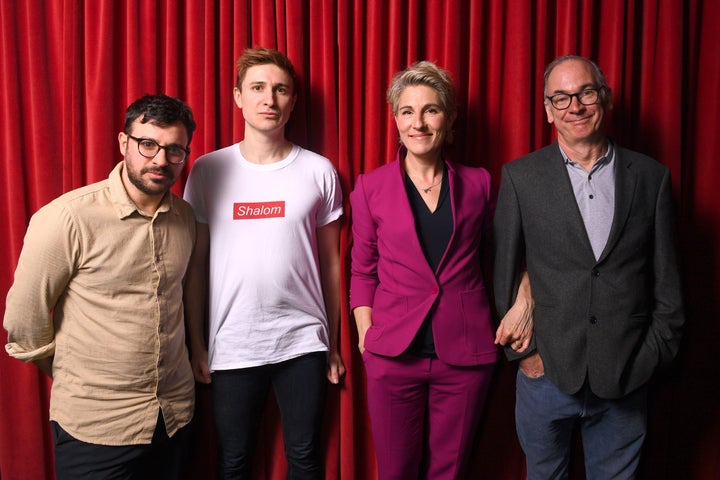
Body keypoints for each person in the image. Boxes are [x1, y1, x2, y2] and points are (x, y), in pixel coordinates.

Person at [493, 55, 685, 479]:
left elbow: (667, 284)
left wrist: (648, 359)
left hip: (626, 376)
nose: (574, 106)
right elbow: (504, 274)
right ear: (547, 110)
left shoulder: (651, 178)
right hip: (545, 376)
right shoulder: (520, 178)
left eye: (585, 93)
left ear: (605, 98)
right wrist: (525, 356)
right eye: (560, 98)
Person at [349, 60, 532, 480]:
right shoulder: (370, 187)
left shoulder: (480, 183)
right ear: (395, 118)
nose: (419, 122)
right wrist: (365, 335)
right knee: (395, 471)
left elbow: (510, 253)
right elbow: (363, 270)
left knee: (449, 473)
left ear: (448, 119)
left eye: (430, 110)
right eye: (408, 111)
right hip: (392, 354)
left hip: (464, 354)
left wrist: (526, 295)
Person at [3, 94, 198, 479]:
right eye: (148, 145)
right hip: (96, 428)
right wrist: (84, 377)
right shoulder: (67, 218)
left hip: (174, 418)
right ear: (124, 143)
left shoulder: (185, 217)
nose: (160, 159)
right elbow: (24, 323)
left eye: (174, 150)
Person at [182, 47, 344, 479]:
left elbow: (331, 265)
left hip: (303, 342)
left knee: (306, 459)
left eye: (280, 89)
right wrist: (197, 344)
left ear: (292, 100)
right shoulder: (207, 170)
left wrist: (332, 343)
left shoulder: (319, 171)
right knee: (233, 461)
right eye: (257, 88)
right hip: (233, 342)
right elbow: (195, 267)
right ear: (238, 97)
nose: (269, 98)